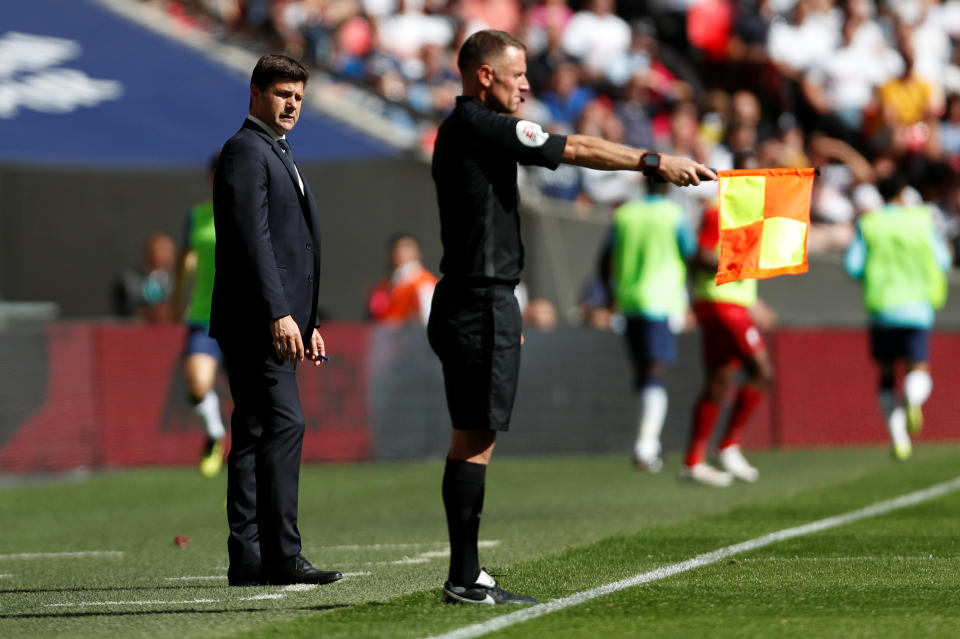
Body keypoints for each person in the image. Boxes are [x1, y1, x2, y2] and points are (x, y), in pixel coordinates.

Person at [428, 29, 714, 605]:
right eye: (519, 73)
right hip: (477, 299)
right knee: (475, 438)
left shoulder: (468, 129)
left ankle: (467, 572)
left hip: (480, 297)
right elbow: (575, 149)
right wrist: (654, 161)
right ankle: (464, 577)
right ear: (485, 76)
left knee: (473, 434)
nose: (528, 85)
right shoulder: (476, 123)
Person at [210, 54, 341, 588]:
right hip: (257, 322)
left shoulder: (273, 152)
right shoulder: (247, 150)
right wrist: (278, 313)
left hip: (271, 319)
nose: (293, 106)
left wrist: (304, 319)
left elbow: (289, 246)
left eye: (300, 98)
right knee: (284, 424)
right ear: (257, 93)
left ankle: (248, 557)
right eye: (285, 94)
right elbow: (252, 241)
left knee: (254, 431)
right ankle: (282, 555)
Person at [682, 151, 775, 487]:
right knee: (762, 371)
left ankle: (693, 461)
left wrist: (754, 301)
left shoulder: (748, 216)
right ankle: (728, 445)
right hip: (722, 305)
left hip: (730, 303)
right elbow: (701, 256)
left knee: (719, 380)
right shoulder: (716, 209)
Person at [844, 173, 950, 460]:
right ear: (903, 193)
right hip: (917, 308)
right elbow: (943, 260)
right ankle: (913, 398)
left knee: (887, 376)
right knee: (919, 368)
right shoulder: (921, 220)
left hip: (882, 308)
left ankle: (899, 437)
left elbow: (852, 265)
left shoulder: (869, 224)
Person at [600, 178, 696, 473]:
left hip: (628, 300)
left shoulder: (625, 213)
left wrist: (610, 296)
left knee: (644, 371)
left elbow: (604, 260)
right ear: (668, 186)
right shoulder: (675, 214)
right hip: (660, 301)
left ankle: (646, 446)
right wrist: (690, 298)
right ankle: (646, 446)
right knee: (655, 370)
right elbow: (690, 254)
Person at [174, 153, 228, 478]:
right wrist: (175, 298)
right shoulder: (197, 217)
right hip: (204, 316)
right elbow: (185, 260)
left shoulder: (255, 213)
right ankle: (214, 433)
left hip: (246, 320)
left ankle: (249, 470)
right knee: (197, 382)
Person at [366, 233, 438, 325]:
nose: (400, 252)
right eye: (396, 248)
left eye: (406, 248)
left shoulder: (423, 283)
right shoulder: (384, 284)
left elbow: (428, 318)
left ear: (417, 252)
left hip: (410, 337)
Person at [113, 232, 177, 322]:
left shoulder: (177, 282)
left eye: (169, 250)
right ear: (148, 252)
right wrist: (148, 312)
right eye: (161, 249)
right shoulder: (131, 281)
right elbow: (127, 307)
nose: (165, 254)